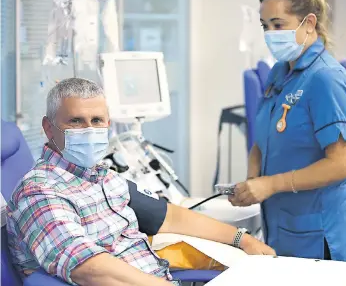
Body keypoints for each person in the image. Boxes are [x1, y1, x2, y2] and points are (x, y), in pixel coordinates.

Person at [6, 78, 275, 286]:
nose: (89, 130)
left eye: (97, 120)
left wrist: (242, 239)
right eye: (76, 121)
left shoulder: (104, 177)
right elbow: (89, 267)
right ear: (48, 127)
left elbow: (170, 217)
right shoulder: (40, 192)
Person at [228, 0, 346, 262]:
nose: (270, 34)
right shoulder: (280, 73)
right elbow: (261, 139)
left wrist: (270, 184)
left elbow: (341, 164)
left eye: (278, 24)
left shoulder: (326, 79)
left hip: (318, 234)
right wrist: (252, 182)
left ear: (309, 23)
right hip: (282, 226)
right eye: (265, 26)